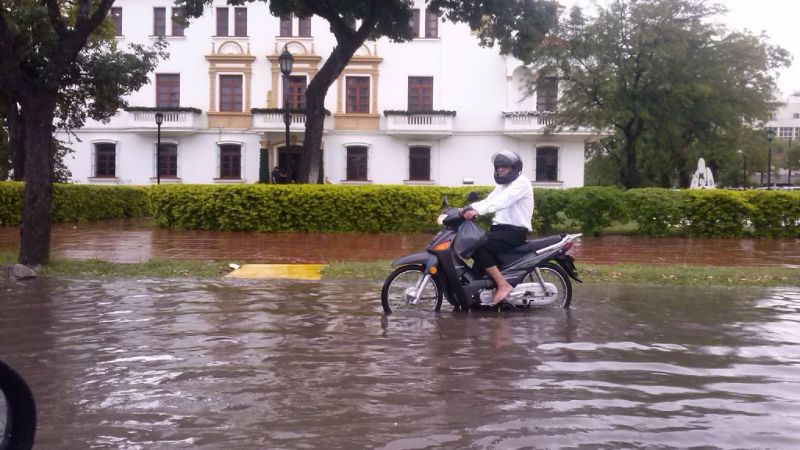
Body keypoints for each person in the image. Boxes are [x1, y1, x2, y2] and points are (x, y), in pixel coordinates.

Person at [462, 150, 533, 305]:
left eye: (505, 166)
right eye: (498, 166)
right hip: (500, 230)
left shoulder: (521, 183)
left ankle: (503, 285)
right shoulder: (503, 185)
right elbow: (490, 200)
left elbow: (503, 201)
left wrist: (477, 210)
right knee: (478, 264)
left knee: (477, 246)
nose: (500, 169)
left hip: (514, 232)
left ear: (514, 168)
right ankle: (477, 295)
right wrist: (467, 208)